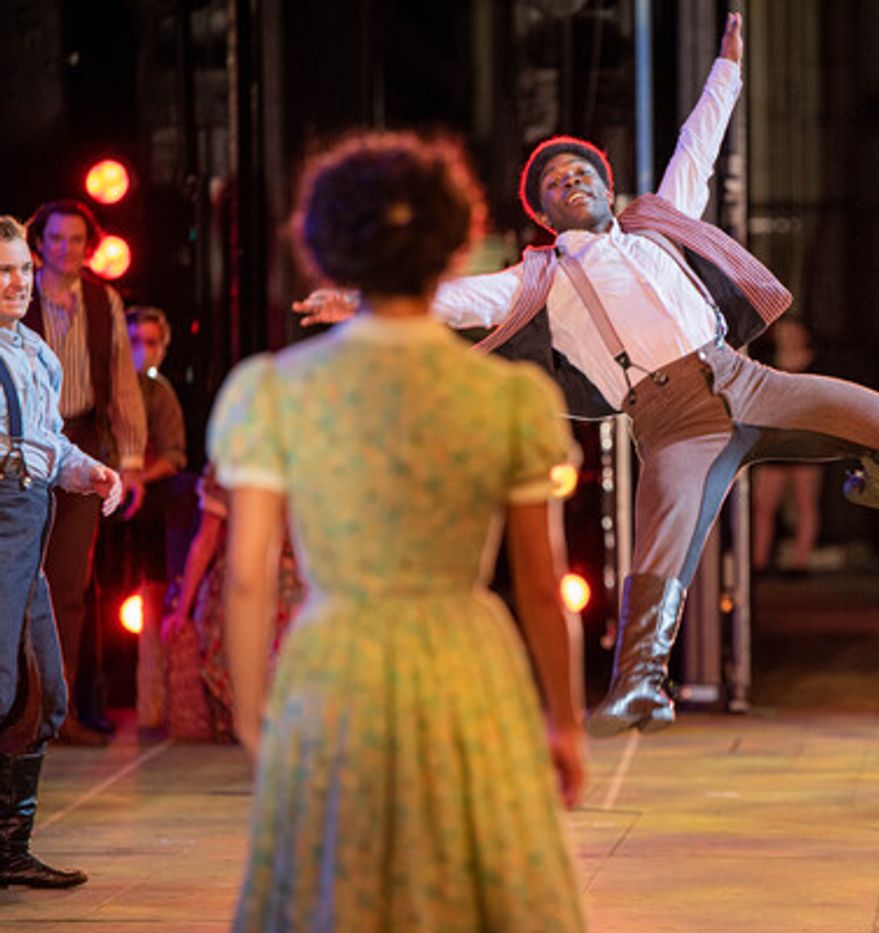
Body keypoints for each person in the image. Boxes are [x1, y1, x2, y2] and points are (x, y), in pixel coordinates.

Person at [298, 12, 879, 738]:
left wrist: (726, 69)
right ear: (544, 211)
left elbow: (697, 148)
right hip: (673, 421)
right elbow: (449, 301)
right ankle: (641, 687)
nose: (571, 182)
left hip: (744, 377)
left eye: (582, 173)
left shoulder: (657, 224)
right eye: (555, 183)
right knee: (661, 547)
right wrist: (357, 298)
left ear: (607, 187)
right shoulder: (539, 276)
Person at [210, 132, 587, 930]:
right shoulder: (510, 396)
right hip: (467, 664)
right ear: (454, 247)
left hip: (334, 663)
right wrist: (565, 720)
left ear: (328, 250)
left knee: (334, 889)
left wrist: (250, 719)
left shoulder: (274, 391)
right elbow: (543, 582)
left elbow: (245, 577)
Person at [0, 214, 122, 887]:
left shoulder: (35, 353)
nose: (18, 282)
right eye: (3, 271)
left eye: (22, 269)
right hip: (2, 513)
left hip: (31, 517)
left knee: (44, 688)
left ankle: (10, 847)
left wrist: (90, 471)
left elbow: (50, 440)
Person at [23, 199, 147, 745]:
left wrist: (133, 461)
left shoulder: (102, 301)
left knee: (68, 584)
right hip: (21, 442)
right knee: (17, 577)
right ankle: (18, 710)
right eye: (56, 239)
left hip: (80, 439)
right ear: (38, 244)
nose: (66, 250)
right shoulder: (15, 294)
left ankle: (58, 709)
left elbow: (121, 384)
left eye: (76, 240)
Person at [161, 464, 302, 742]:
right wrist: (182, 609)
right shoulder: (235, 464)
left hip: (291, 580)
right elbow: (206, 539)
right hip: (252, 578)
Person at [125, 306, 189, 729]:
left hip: (147, 506)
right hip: (101, 494)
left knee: (152, 592)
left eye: (151, 343)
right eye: (134, 341)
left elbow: (173, 455)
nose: (143, 352)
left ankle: (155, 701)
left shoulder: (159, 392)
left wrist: (137, 477)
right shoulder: (107, 385)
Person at [750, 318, 822, 575]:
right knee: (763, 505)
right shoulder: (766, 364)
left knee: (805, 501)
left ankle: (800, 562)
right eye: (784, 333)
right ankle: (758, 561)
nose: (789, 338)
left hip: (805, 440)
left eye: (794, 333)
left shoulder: (816, 364)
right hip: (775, 440)